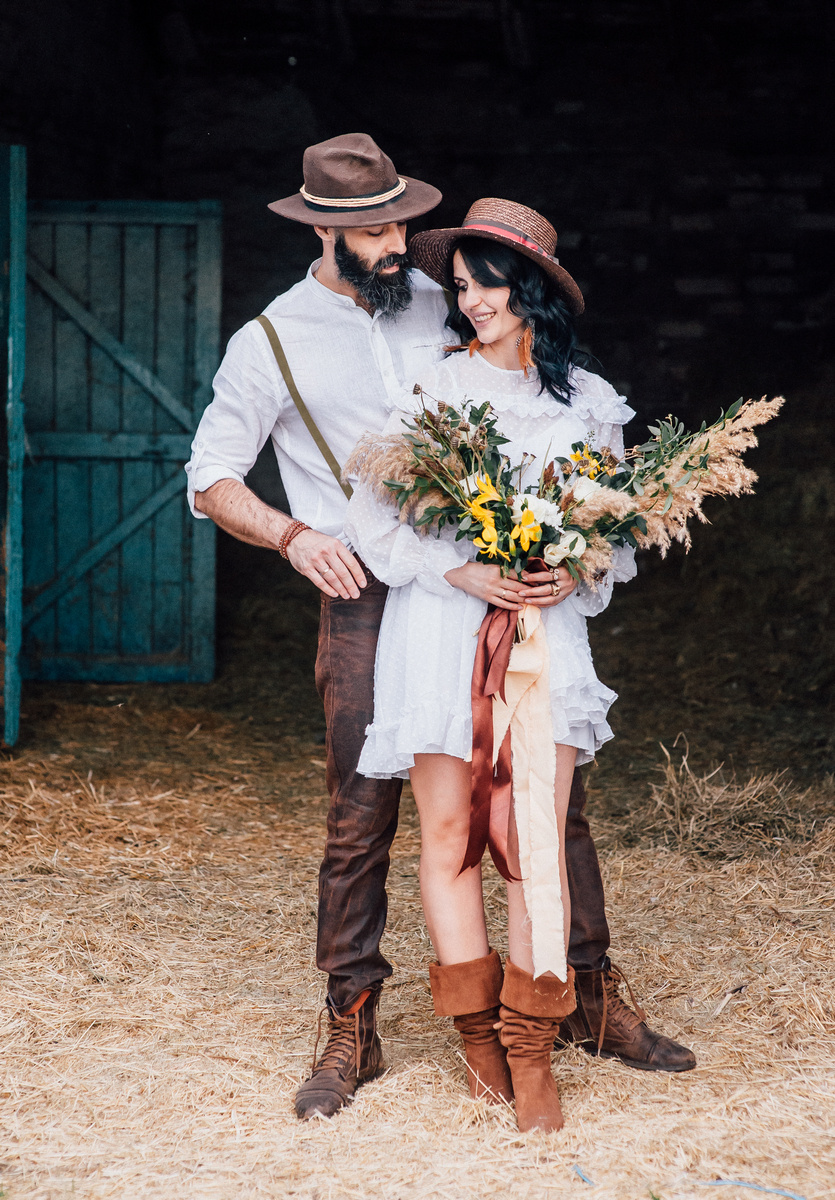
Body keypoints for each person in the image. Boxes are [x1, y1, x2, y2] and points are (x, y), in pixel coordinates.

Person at [185, 135, 694, 1125]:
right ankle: (353, 1024)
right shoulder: (269, 340)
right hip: (369, 592)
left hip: (500, 591)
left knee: (551, 808)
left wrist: (563, 550)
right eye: (376, 231)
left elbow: (535, 393)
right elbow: (208, 478)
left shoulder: (443, 299)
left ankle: (583, 999)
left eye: (402, 224)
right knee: (366, 811)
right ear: (324, 233)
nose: (400, 247)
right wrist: (294, 537)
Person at [343, 198, 691, 1132]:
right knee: (449, 833)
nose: (468, 304)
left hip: (542, 638)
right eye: (457, 289)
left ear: (526, 286)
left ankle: (533, 1044)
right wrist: (461, 566)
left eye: (482, 284)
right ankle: (477, 1047)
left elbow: (616, 540)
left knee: (537, 831)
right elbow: (373, 522)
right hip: (438, 628)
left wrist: (568, 566)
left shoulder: (588, 403)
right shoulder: (429, 389)